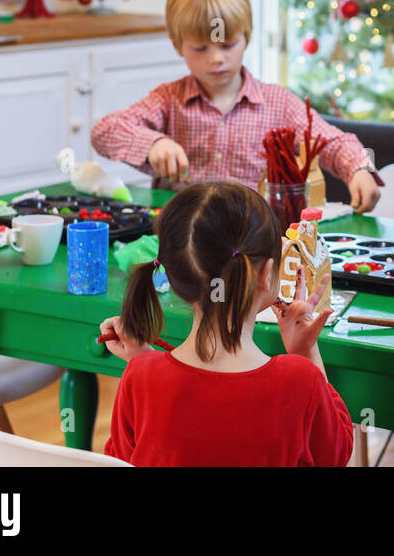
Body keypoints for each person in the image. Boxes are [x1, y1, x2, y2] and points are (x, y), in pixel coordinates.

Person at [100, 181, 352, 466]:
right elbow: (335, 455)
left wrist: (147, 365)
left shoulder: (139, 375)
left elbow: (120, 461)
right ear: (266, 272)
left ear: (172, 277)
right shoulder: (300, 380)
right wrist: (306, 350)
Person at [91, 0, 382, 210]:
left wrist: (358, 168)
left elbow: (333, 141)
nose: (216, 58)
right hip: (181, 238)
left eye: (227, 45)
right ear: (176, 44)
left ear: (248, 37)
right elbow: (104, 131)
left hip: (252, 239)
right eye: (201, 48)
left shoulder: (278, 103)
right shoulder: (168, 99)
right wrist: (153, 144)